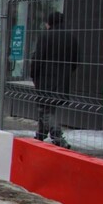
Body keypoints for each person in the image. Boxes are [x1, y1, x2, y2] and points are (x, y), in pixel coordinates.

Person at [29, 11, 78, 149]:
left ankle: (57, 138)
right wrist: (66, 73)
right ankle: (40, 134)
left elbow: (38, 58)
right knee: (47, 107)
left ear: (50, 23)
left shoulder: (46, 36)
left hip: (45, 78)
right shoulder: (71, 37)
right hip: (63, 79)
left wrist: (33, 73)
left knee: (46, 108)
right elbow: (75, 61)